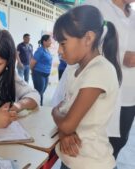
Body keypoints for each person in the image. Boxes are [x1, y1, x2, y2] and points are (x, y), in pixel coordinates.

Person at [52, 5, 122, 169]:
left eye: (63, 43)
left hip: (91, 163)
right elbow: (66, 116)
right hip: (71, 159)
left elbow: (67, 122)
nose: (59, 51)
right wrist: (63, 130)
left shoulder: (99, 71)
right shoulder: (74, 71)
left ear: (88, 38)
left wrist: (54, 112)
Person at [85, 0, 135, 160]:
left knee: (118, 142)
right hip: (96, 93)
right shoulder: (95, 5)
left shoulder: (133, 16)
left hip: (128, 98)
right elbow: (78, 46)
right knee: (86, 146)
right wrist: (121, 56)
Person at [30, 34, 53, 106]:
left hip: (46, 74)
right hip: (39, 74)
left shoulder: (47, 50)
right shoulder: (40, 51)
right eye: (49, 40)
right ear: (44, 41)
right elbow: (32, 62)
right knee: (39, 92)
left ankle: (39, 105)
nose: (51, 42)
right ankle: (38, 106)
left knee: (42, 92)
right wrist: (33, 72)